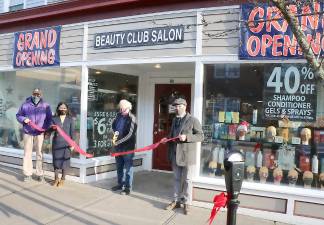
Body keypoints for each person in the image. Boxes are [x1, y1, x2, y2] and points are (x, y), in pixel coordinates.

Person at [165, 97, 204, 215]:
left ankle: (187, 203)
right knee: (176, 179)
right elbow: (172, 135)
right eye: (176, 106)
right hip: (175, 154)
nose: (177, 108)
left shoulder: (193, 120)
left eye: (179, 106)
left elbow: (201, 136)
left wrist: (187, 137)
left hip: (187, 155)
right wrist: (166, 139)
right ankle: (176, 201)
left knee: (187, 180)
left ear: (185, 106)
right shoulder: (174, 120)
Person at [16, 88, 52, 182]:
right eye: (35, 94)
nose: (36, 96)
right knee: (27, 153)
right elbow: (18, 115)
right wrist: (24, 119)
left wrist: (45, 129)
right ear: (32, 94)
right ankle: (27, 174)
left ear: (41, 95)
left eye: (38, 94)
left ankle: (40, 173)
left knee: (39, 153)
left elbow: (49, 119)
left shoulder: (46, 105)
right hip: (28, 132)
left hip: (40, 133)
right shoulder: (25, 104)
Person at [111, 99, 137, 195]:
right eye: (121, 108)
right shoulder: (118, 116)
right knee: (119, 167)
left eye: (124, 109)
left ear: (128, 108)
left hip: (128, 148)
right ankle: (120, 184)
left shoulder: (132, 118)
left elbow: (130, 134)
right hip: (118, 147)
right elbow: (113, 126)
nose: (122, 111)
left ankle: (127, 188)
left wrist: (119, 141)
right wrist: (115, 134)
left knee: (128, 169)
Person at [49, 102, 74, 187]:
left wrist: (72, 144)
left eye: (64, 108)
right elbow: (49, 131)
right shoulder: (54, 119)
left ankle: (63, 179)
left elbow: (72, 133)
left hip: (67, 144)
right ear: (58, 109)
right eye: (61, 107)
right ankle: (56, 179)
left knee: (65, 161)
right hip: (56, 143)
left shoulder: (70, 119)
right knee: (56, 161)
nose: (63, 109)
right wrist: (51, 128)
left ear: (67, 109)